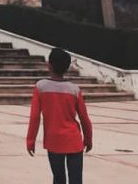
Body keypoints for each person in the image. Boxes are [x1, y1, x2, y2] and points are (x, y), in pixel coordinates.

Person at [27, 47, 93, 184]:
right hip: (74, 140)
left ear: (49, 65)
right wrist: (88, 139)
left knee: (59, 179)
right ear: (67, 68)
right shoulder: (74, 90)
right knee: (76, 180)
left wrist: (30, 140)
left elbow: (35, 117)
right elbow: (84, 118)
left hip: (53, 141)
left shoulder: (40, 87)